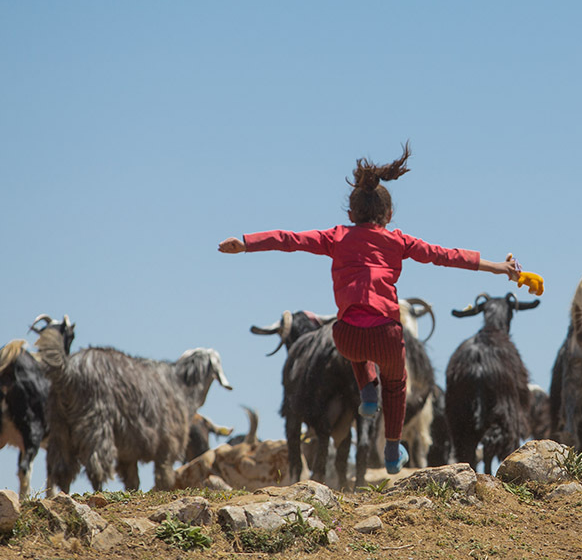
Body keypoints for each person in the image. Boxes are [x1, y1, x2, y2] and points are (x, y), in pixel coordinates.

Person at [218, 142, 523, 474]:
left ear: (350, 215)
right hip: (387, 335)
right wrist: (497, 267)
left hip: (346, 337)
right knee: (396, 384)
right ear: (390, 216)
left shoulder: (335, 236)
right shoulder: (399, 241)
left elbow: (289, 239)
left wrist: (246, 243)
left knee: (350, 339)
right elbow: (446, 255)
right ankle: (392, 451)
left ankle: (366, 391)